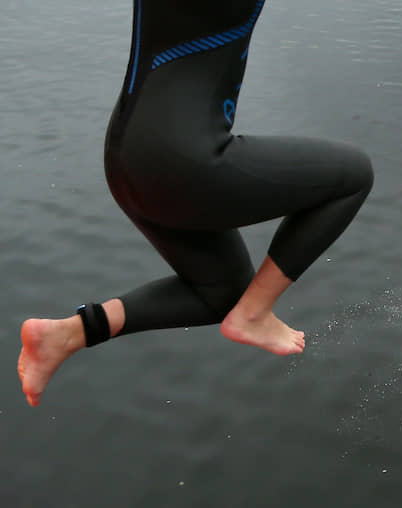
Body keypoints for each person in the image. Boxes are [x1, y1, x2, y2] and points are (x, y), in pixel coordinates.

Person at [18, 0, 374, 407]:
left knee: (221, 291)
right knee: (352, 176)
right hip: (182, 162)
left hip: (126, 155)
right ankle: (255, 313)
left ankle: (67, 334)